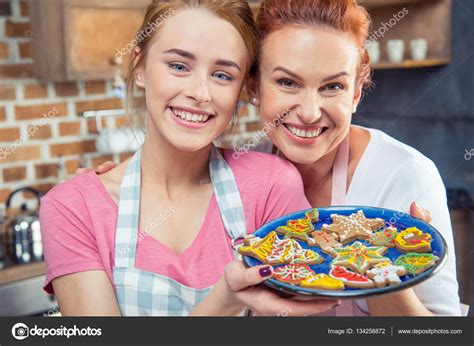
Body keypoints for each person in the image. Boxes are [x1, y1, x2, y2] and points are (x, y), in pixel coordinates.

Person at [39, 0, 338, 316]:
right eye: (179, 66)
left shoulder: (271, 186)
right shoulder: (72, 207)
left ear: (242, 89)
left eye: (222, 75)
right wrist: (223, 303)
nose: (201, 93)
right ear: (139, 66)